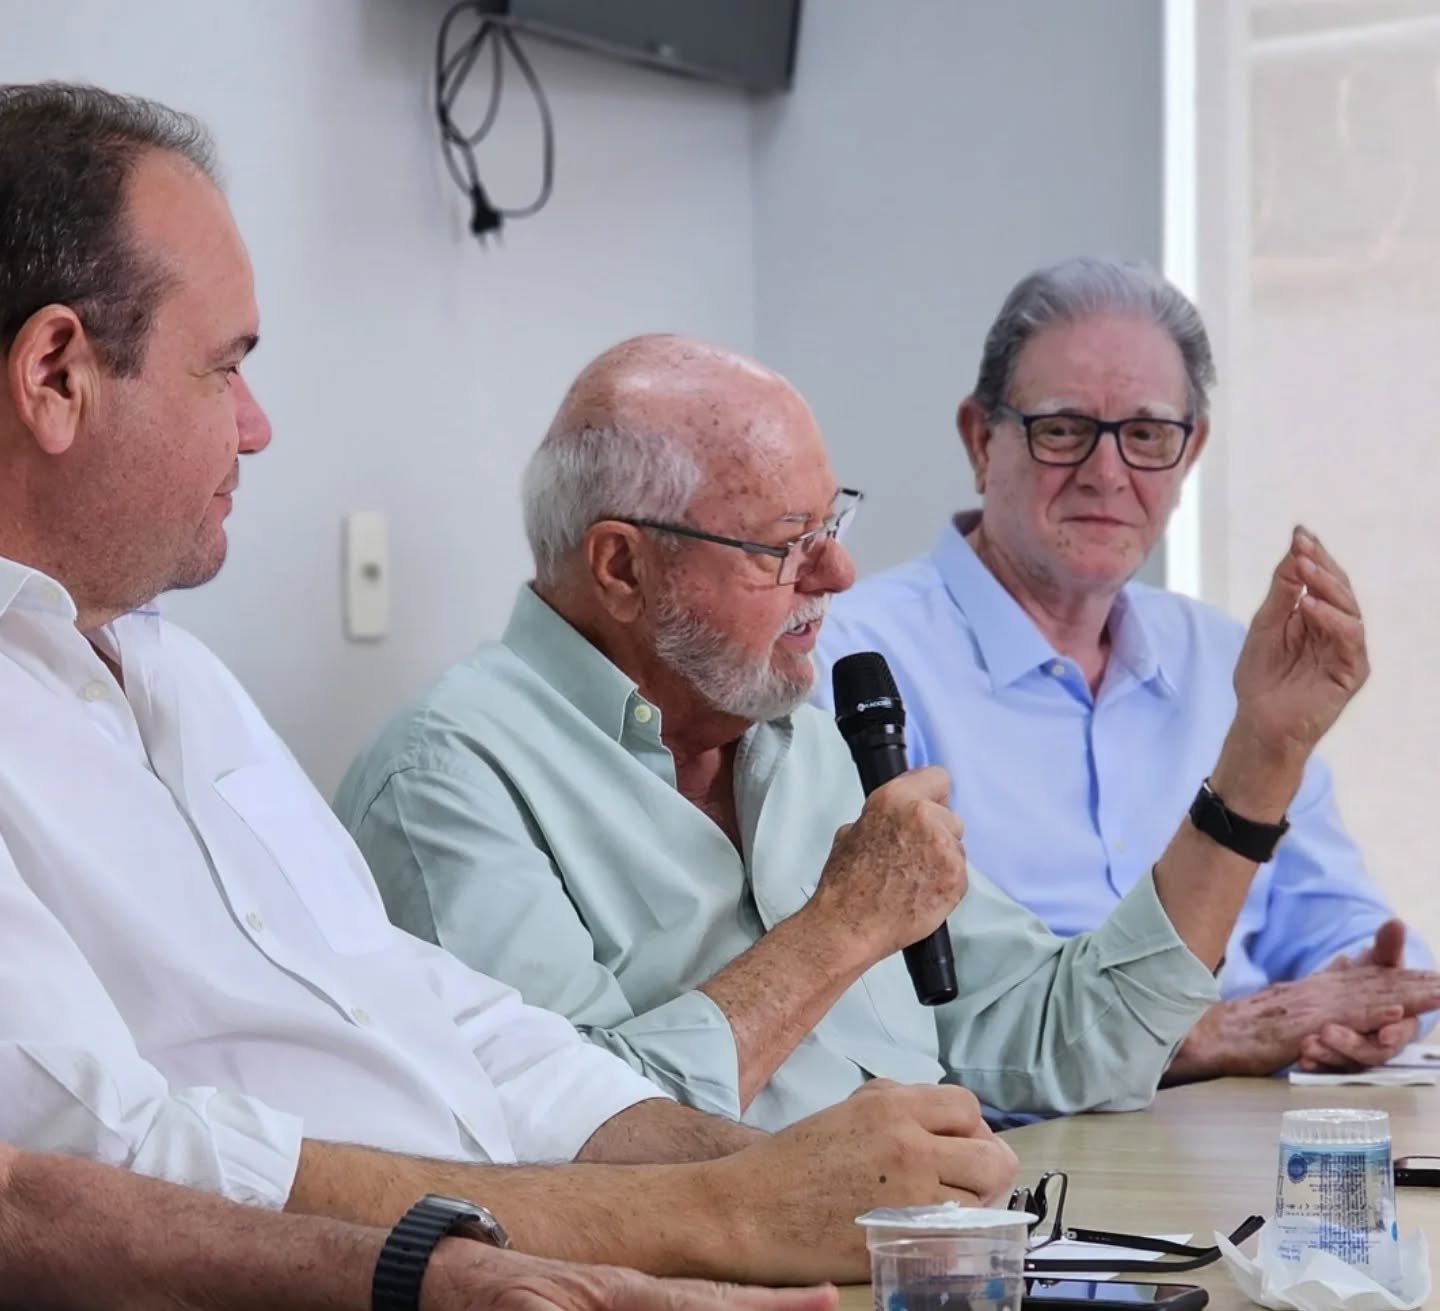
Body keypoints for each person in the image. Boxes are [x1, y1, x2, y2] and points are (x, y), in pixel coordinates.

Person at [0, 81, 1017, 1289]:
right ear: (56, 375)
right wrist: (715, 1215)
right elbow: (100, 1172)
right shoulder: (449, 761)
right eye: (224, 370)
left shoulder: (177, 672)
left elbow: (437, 1011)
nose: (258, 427)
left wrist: (777, 1179)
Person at [337, 328, 1401, 1136]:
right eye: (783, 545)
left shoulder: (801, 742)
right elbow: (575, 1142)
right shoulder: (449, 779)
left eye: (831, 524)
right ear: (622, 567)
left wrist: (1262, 752)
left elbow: (1068, 1037)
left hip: (943, 1252)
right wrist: (842, 926)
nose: (839, 573)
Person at [813, 256, 1437, 1081]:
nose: (1107, 474)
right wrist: (1196, 1034)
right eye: (1064, 429)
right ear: (980, 439)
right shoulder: (850, 661)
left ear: (1190, 450)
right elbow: (900, 1009)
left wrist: (1372, 999)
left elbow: (1335, 925)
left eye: (1145, 435)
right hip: (1017, 1142)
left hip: (1247, 1118)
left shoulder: (1231, 662)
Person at [0, 1143, 840, 1311]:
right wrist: (437, 1274)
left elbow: (471, 1021)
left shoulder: (217, 724)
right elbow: (26, 1191)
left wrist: (794, 1177)